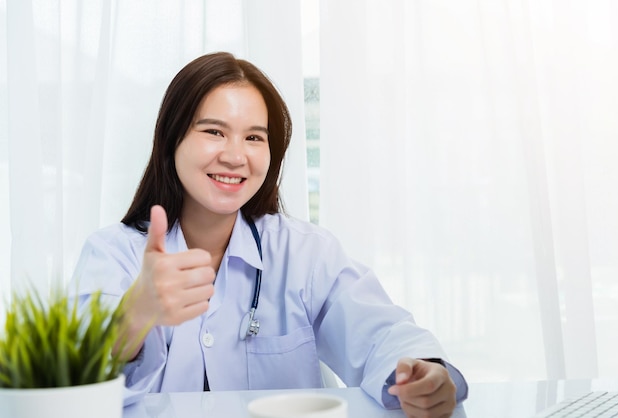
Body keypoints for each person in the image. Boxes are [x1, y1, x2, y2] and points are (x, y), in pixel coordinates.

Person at [70, 52, 468, 418]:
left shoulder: (306, 253)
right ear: (171, 139)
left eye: (255, 137)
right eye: (214, 131)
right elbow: (67, 383)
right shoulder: (114, 254)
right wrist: (134, 316)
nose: (235, 155)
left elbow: (383, 334)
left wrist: (423, 373)